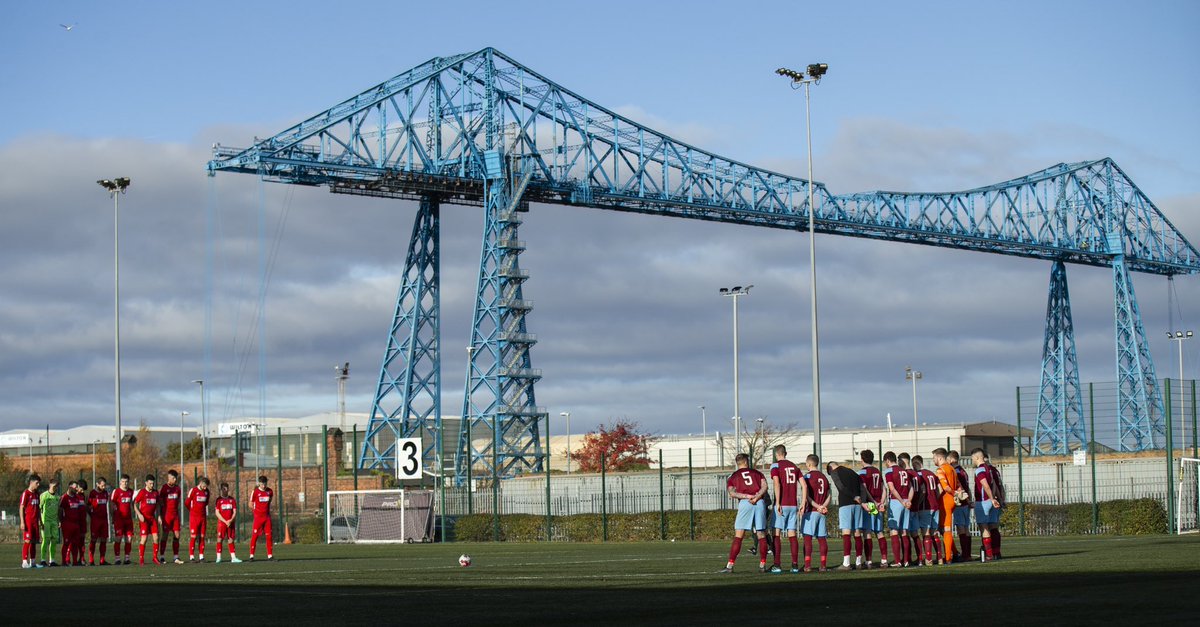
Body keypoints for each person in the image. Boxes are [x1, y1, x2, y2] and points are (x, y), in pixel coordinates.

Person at [719, 454, 768, 573]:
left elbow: (732, 493)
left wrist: (746, 496)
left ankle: (730, 566)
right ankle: (762, 565)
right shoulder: (757, 473)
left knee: (739, 535)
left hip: (745, 503)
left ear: (737, 463)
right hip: (759, 502)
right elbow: (765, 486)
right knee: (761, 534)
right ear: (746, 461)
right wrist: (757, 496)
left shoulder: (733, 476)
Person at [768, 445, 805, 573]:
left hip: (782, 504)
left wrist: (777, 502)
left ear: (776, 454)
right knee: (792, 534)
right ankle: (795, 565)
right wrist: (803, 502)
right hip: (793, 505)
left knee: (776, 533)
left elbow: (776, 483)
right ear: (786, 453)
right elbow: (804, 485)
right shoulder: (795, 466)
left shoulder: (775, 466)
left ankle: (777, 565)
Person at [827, 459, 869, 571]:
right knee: (857, 533)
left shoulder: (835, 473)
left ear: (830, 469)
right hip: (858, 505)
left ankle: (846, 563)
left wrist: (853, 496)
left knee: (846, 533)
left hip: (846, 504)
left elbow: (841, 487)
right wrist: (862, 501)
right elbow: (862, 488)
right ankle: (859, 562)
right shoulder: (852, 472)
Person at [971, 448, 1004, 561]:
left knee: (984, 528)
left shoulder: (980, 470)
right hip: (992, 500)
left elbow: (985, 485)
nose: (972, 460)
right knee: (994, 527)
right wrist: (996, 498)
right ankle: (996, 553)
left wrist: (990, 498)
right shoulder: (990, 469)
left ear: (977, 457)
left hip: (983, 501)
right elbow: (994, 484)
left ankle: (989, 555)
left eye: (972, 458)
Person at [857, 450, 888, 568]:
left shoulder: (862, 472)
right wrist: (881, 502)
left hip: (870, 504)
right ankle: (884, 560)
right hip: (879, 503)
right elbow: (883, 487)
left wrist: (874, 502)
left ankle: (869, 561)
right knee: (879, 532)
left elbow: (865, 489)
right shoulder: (877, 471)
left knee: (867, 532)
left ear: (862, 459)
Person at [802, 454, 831, 572]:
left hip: (812, 511)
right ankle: (823, 565)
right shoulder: (824, 477)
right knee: (822, 538)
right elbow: (829, 495)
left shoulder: (807, 477)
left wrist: (817, 506)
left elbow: (807, 496)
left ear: (809, 464)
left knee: (808, 538)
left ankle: (807, 565)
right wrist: (823, 507)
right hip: (822, 512)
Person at [882, 451, 912, 568]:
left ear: (888, 460)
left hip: (896, 501)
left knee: (894, 531)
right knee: (904, 531)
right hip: (906, 502)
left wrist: (901, 501)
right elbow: (911, 488)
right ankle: (906, 560)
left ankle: (897, 561)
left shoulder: (889, 470)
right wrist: (908, 500)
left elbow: (892, 488)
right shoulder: (904, 471)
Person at [913, 456, 942, 565]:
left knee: (926, 533)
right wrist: (936, 499)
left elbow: (923, 491)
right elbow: (940, 490)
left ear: (915, 464)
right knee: (934, 532)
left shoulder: (919, 475)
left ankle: (928, 559)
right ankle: (939, 558)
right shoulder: (932, 474)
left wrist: (918, 503)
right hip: (935, 506)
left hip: (925, 506)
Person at [933, 448, 960, 563]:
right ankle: (955, 552)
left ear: (939, 458)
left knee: (947, 529)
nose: (933, 460)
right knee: (943, 529)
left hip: (945, 501)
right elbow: (958, 485)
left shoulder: (941, 470)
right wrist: (959, 495)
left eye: (934, 457)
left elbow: (945, 488)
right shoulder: (952, 469)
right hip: (952, 501)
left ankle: (948, 558)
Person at [949, 450, 974, 561]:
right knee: (966, 528)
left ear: (951, 459)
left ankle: (965, 554)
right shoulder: (963, 471)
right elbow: (967, 488)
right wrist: (969, 500)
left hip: (960, 503)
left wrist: (966, 500)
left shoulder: (955, 472)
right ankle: (967, 554)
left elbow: (960, 488)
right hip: (965, 503)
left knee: (961, 528)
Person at [897, 452, 921, 566]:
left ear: (902, 460)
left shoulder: (905, 474)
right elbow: (922, 491)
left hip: (907, 506)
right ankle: (920, 559)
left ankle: (907, 558)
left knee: (904, 532)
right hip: (916, 506)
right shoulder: (917, 474)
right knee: (915, 534)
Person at [133, 474, 161, 566]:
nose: (152, 485)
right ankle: (141, 558)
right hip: (144, 519)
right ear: (146, 483)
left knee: (156, 538)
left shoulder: (155, 493)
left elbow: (157, 505)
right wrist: (139, 514)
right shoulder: (142, 492)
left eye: (153, 483)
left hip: (152, 518)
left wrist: (159, 516)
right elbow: (135, 504)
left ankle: (155, 557)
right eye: (150, 483)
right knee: (144, 539)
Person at [158, 469, 184, 564]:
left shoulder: (178, 489)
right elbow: (160, 503)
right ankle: (162, 556)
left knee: (177, 535)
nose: (173, 479)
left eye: (174, 478)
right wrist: (160, 515)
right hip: (166, 515)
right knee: (164, 535)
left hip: (175, 515)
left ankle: (176, 557)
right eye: (171, 478)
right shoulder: (164, 488)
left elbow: (177, 502)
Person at [60, 480, 87, 566]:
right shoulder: (64, 497)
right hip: (67, 524)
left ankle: (75, 561)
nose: (76, 489)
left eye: (76, 488)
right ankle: (64, 561)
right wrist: (61, 521)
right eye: (74, 487)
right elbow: (60, 510)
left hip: (76, 524)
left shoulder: (77, 497)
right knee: (67, 543)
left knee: (75, 543)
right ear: (70, 487)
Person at [248, 475, 276, 561]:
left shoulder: (270, 491)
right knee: (255, 536)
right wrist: (255, 513)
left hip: (267, 518)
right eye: (262, 484)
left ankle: (270, 555)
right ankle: (251, 556)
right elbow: (250, 504)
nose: (263, 486)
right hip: (258, 518)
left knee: (269, 536)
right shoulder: (255, 492)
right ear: (259, 483)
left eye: (265, 484)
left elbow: (270, 500)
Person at [214, 482, 242, 563]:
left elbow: (235, 511)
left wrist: (230, 520)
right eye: (223, 488)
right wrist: (224, 521)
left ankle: (233, 558)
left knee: (231, 539)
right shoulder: (218, 500)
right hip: (222, 523)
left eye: (226, 488)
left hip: (230, 522)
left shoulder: (232, 500)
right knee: (219, 539)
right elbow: (217, 512)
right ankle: (218, 557)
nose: (225, 490)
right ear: (221, 489)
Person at [19, 474, 43, 569]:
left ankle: (32, 562)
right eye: (37, 483)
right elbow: (21, 507)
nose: (38, 485)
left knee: (34, 541)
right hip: (28, 521)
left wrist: (40, 520)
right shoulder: (26, 493)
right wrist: (22, 521)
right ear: (31, 482)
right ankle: (24, 562)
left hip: (35, 522)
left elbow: (38, 509)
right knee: (27, 540)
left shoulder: (36, 494)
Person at [185, 477, 212, 562]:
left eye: (206, 486)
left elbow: (206, 503)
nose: (205, 488)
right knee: (193, 536)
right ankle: (192, 557)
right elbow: (187, 503)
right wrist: (192, 510)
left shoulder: (207, 492)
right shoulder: (193, 490)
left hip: (203, 517)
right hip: (194, 518)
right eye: (204, 486)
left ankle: (201, 556)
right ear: (200, 483)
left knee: (202, 536)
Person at [111, 474, 135, 565]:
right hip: (119, 519)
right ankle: (117, 558)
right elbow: (112, 504)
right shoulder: (116, 491)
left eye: (126, 482)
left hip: (128, 519)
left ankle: (127, 558)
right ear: (120, 482)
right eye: (123, 482)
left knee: (129, 538)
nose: (125, 483)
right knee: (118, 538)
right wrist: (113, 517)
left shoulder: (131, 492)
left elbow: (133, 504)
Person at [87, 477, 112, 565]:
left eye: (104, 485)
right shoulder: (92, 493)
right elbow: (88, 506)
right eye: (102, 485)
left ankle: (102, 560)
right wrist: (93, 516)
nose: (104, 487)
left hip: (104, 520)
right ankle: (91, 559)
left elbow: (108, 506)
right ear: (97, 484)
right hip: (95, 520)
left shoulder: (105, 493)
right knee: (93, 539)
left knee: (103, 540)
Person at [38, 478, 61, 567]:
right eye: (54, 486)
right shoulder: (44, 495)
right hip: (46, 521)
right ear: (50, 485)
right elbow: (39, 509)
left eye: (57, 486)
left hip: (54, 521)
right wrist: (40, 521)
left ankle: (52, 560)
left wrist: (59, 520)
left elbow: (58, 510)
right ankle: (43, 559)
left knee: (54, 540)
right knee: (46, 539)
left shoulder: (57, 497)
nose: (55, 488)